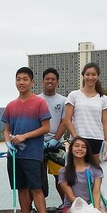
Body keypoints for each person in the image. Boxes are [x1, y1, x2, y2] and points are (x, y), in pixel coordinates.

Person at [3, 67, 52, 213]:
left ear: (32, 82)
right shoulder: (10, 106)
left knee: (36, 188)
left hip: (32, 153)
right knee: (21, 187)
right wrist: (8, 142)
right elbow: (6, 129)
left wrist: (24, 136)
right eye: (18, 79)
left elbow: (46, 128)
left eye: (25, 79)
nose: (21, 82)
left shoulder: (39, 103)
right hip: (15, 154)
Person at [55, 137, 107, 213]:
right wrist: (86, 212)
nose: (80, 149)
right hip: (73, 206)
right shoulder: (63, 172)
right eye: (76, 146)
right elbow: (71, 197)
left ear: (87, 151)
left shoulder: (95, 169)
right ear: (71, 149)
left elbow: (96, 193)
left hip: (91, 205)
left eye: (83, 147)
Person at [64, 62, 107, 154]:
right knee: (77, 168)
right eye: (87, 74)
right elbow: (67, 120)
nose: (90, 77)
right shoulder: (74, 95)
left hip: (97, 140)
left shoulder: (103, 99)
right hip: (78, 140)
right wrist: (75, 137)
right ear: (83, 76)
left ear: (97, 76)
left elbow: (105, 122)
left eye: (93, 75)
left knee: (95, 168)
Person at [39, 67, 68, 205]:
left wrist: (55, 139)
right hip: (38, 144)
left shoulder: (63, 100)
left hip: (57, 144)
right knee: (38, 178)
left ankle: (66, 204)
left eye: (53, 79)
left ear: (57, 82)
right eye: (47, 79)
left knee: (60, 177)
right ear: (42, 81)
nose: (50, 81)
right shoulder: (36, 99)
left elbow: (65, 121)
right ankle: (35, 207)